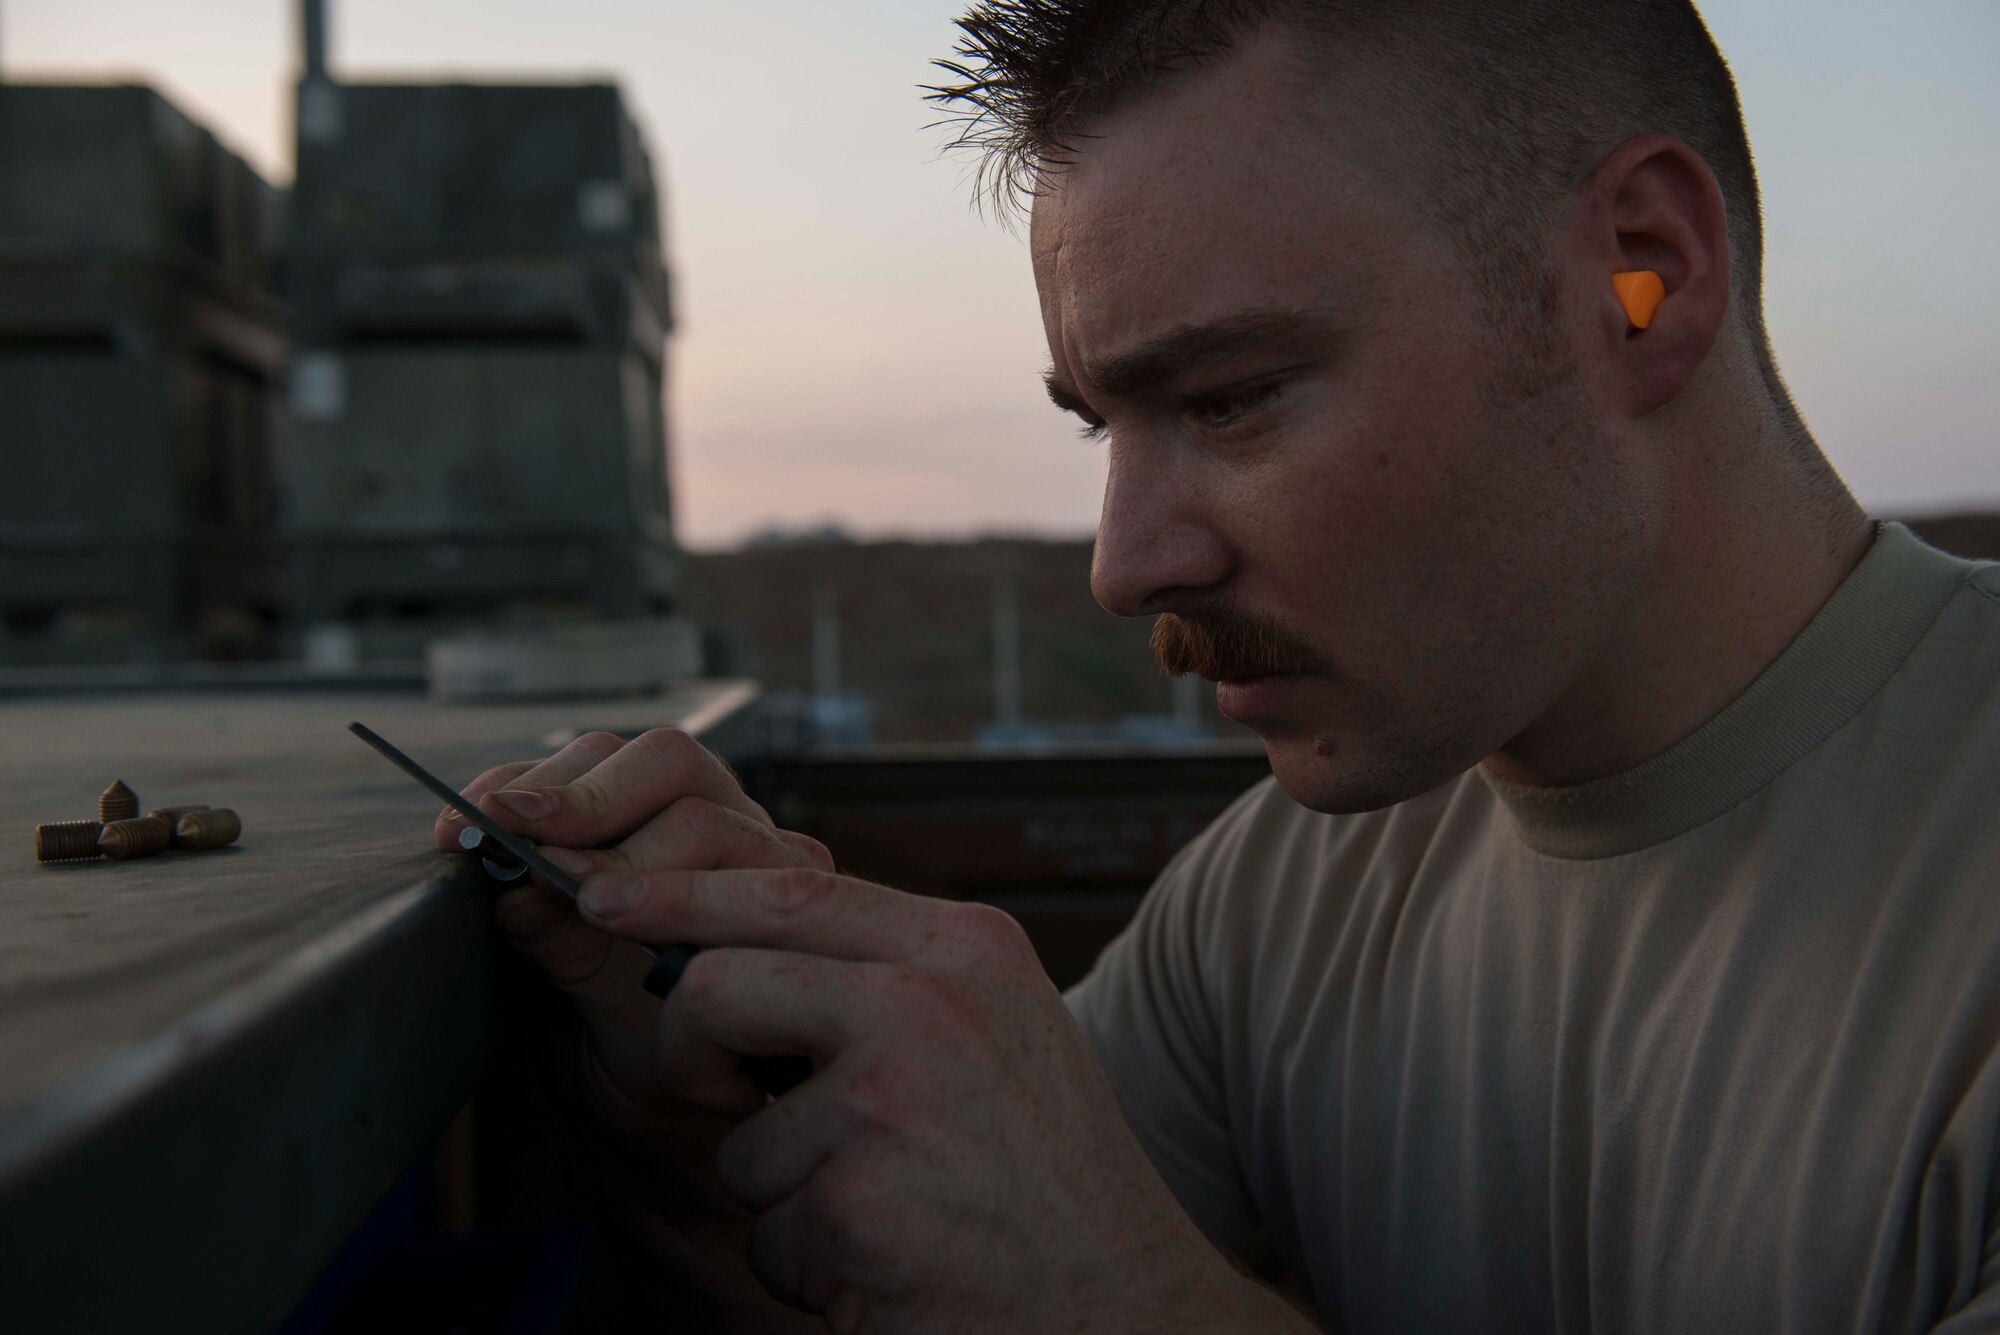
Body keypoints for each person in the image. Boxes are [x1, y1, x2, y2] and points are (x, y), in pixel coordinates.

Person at [438, 2, 2000, 1330]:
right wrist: (700, 1127)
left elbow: (1084, 1286)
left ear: (1639, 273)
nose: (1127, 566)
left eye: (1236, 397)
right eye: (1101, 425)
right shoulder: (1276, 900)